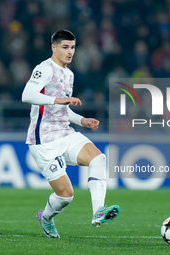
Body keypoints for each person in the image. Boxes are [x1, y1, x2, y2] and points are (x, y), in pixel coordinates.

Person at [22, 29, 120, 238]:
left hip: (65, 133)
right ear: (54, 47)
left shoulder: (69, 74)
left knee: (98, 158)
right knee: (66, 195)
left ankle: (98, 212)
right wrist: (58, 100)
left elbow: (63, 109)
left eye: (73, 47)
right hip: (43, 140)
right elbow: (27, 95)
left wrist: (81, 120)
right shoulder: (44, 69)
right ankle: (46, 218)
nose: (70, 52)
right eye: (65, 47)